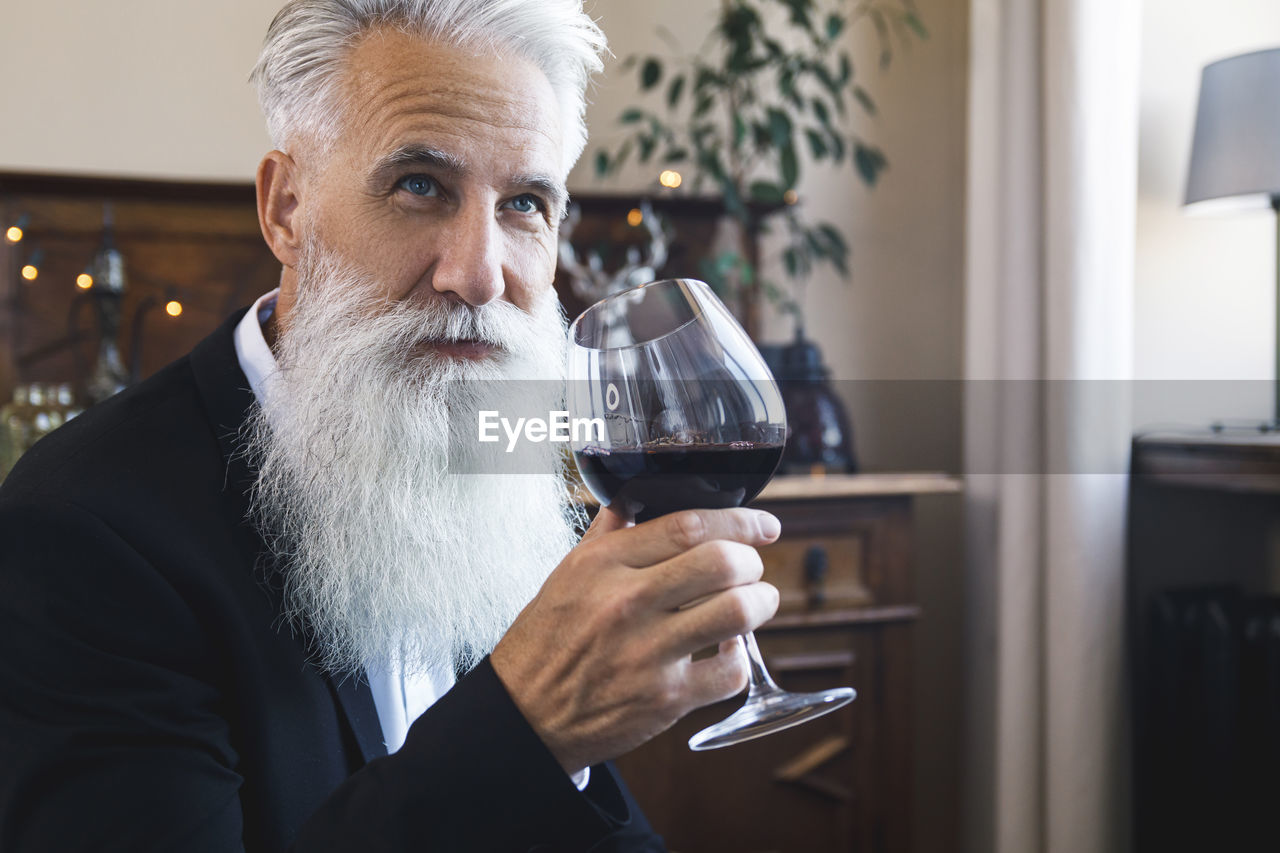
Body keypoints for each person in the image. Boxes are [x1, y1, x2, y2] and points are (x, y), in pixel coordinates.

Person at [0, 1, 783, 851]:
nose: (479, 274)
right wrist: (527, 725)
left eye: (524, 203)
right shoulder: (84, 531)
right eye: (420, 186)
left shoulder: (506, 470)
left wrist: (565, 737)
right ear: (286, 209)